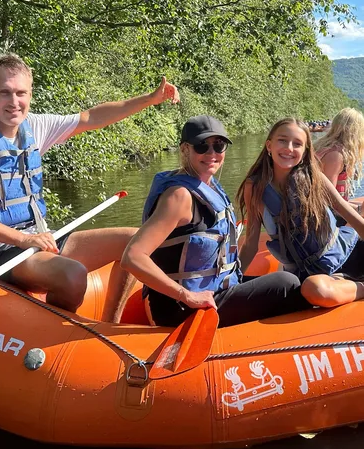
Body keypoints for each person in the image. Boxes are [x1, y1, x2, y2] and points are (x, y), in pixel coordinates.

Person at [0, 52, 179, 314]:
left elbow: (91, 118)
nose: (14, 102)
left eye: (21, 93)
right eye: (4, 93)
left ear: (30, 94)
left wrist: (151, 99)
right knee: (73, 274)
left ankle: (109, 322)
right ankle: (61, 334)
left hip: (41, 238)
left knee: (137, 241)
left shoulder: (34, 126)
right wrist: (21, 239)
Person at [120, 115, 308, 328]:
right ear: (185, 150)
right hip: (181, 308)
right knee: (286, 284)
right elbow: (132, 257)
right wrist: (187, 296)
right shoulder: (179, 196)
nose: (212, 154)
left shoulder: (209, 186)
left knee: (291, 282)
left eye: (218, 146)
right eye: (202, 146)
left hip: (215, 291)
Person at [237, 117, 364, 309]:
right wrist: (231, 282)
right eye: (282, 140)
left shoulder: (314, 177)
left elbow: (345, 211)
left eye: (297, 144)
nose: (289, 148)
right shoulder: (254, 187)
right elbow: (250, 245)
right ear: (269, 145)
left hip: (349, 253)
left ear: (304, 152)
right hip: (316, 277)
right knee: (315, 289)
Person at [314, 108, 364, 215]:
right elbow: (328, 199)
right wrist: (359, 210)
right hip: (326, 216)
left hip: (328, 210)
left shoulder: (323, 146)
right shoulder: (336, 155)